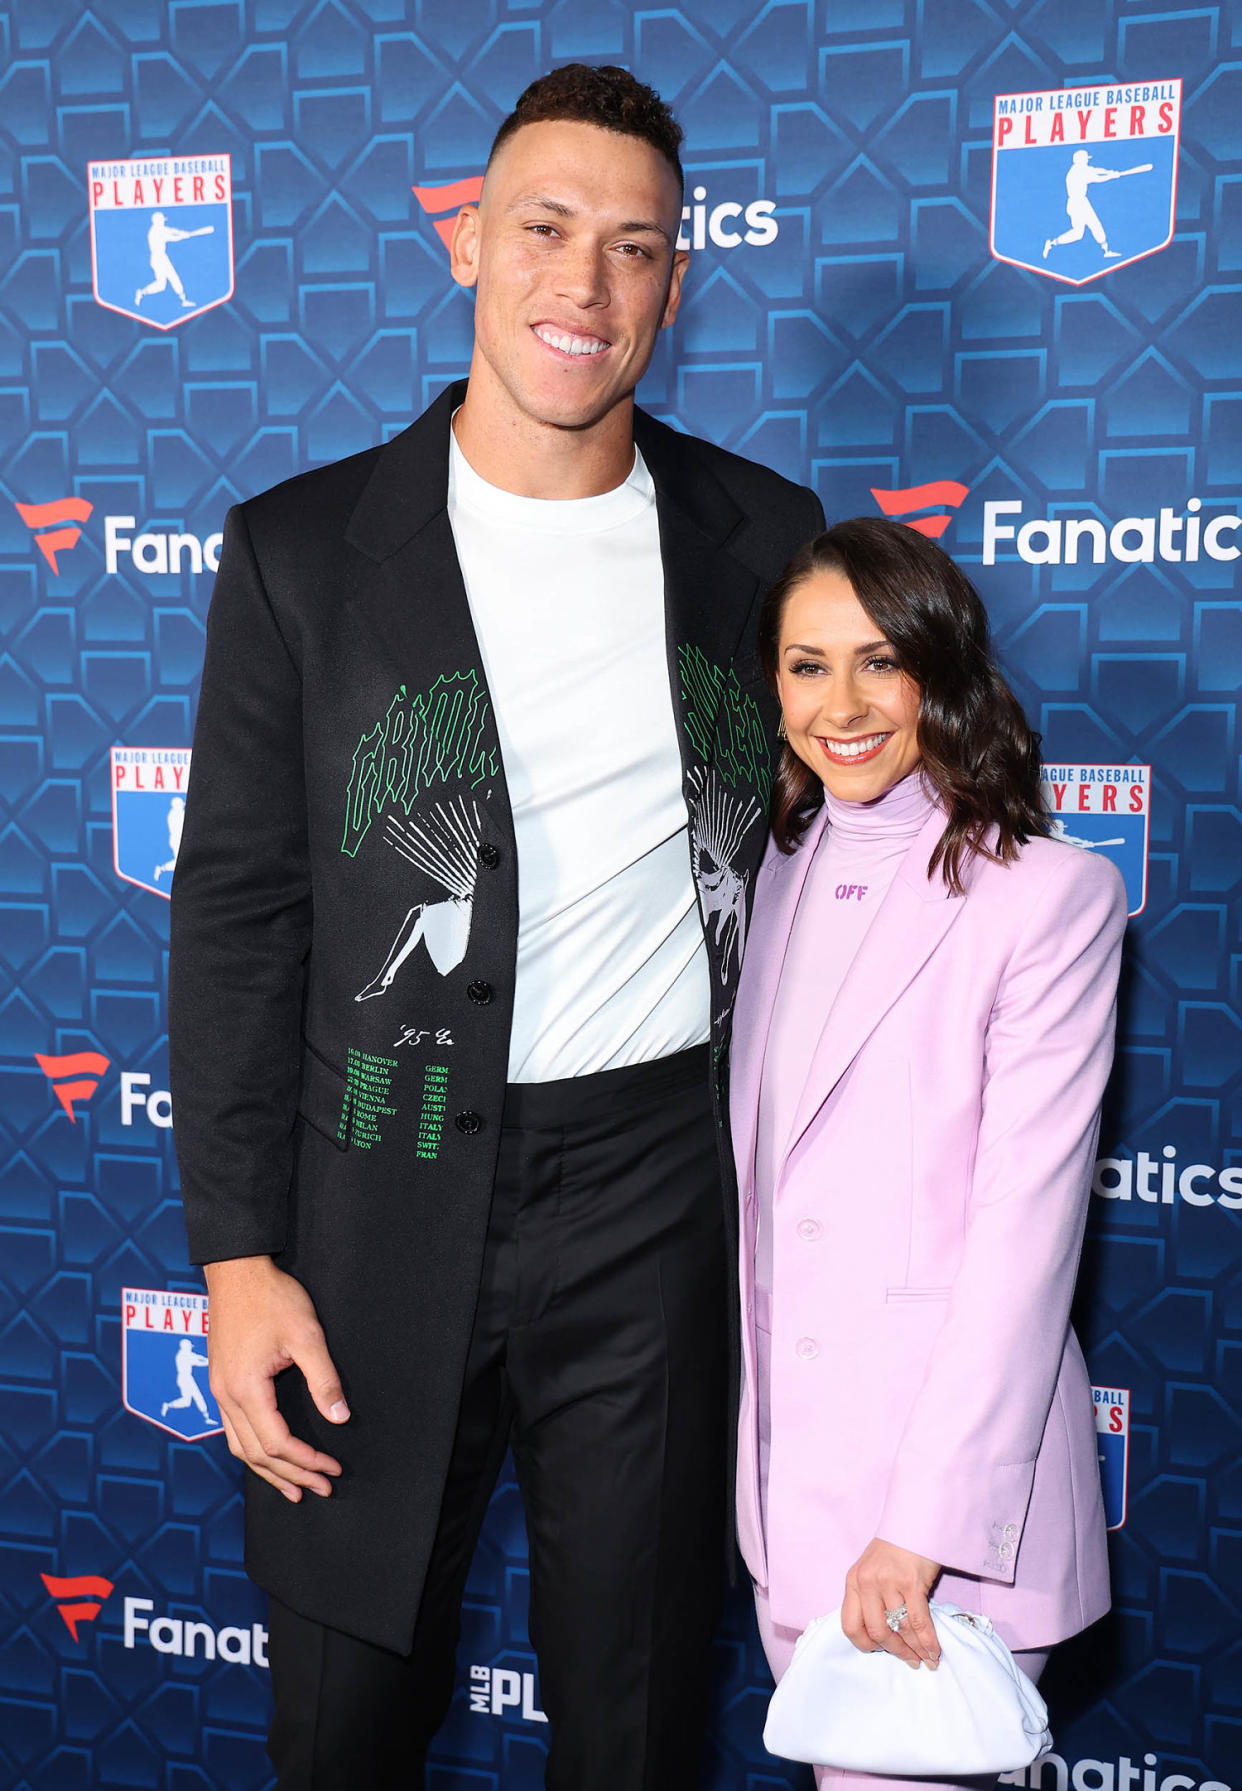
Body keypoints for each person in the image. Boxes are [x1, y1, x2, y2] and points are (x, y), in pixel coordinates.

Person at [168, 62, 823, 1791]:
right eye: (544, 230)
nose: (583, 288)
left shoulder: (764, 541)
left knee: (632, 1715)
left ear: (677, 283)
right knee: (345, 1720)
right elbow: (236, 918)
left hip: (653, 1200)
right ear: (465, 240)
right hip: (371, 1183)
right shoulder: (301, 553)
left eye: (633, 248)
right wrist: (238, 1260)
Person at [728, 518, 1126, 1791]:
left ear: (942, 673)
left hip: (941, 1531)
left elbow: (1025, 1250)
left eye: (878, 662)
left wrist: (918, 1533)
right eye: (805, 665)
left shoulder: (1047, 898)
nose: (839, 705)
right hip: (791, 1514)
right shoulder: (777, 872)